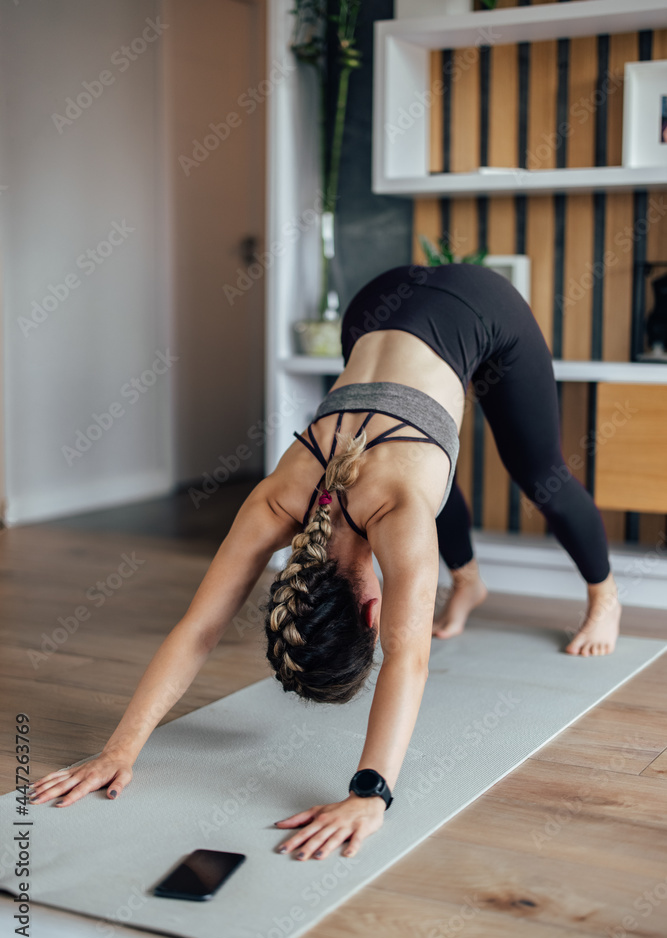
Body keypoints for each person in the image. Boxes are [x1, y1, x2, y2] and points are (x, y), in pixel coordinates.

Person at [27, 262, 622, 864]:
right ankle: (468, 583)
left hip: (479, 303)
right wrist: (120, 749)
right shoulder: (277, 498)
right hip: (374, 303)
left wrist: (371, 793)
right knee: (430, 481)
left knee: (539, 474)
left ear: (371, 610)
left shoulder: (395, 506)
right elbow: (198, 628)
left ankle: (605, 596)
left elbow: (408, 656)